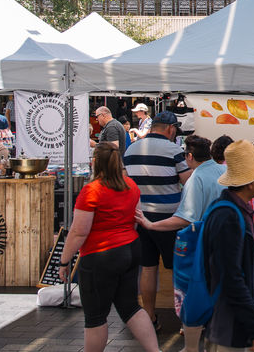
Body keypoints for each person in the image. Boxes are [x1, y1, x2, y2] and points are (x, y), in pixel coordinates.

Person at [59, 142, 159, 352]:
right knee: (130, 307)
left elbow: (79, 232)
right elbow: (135, 218)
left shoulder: (91, 191)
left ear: (95, 162)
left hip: (100, 255)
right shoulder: (131, 185)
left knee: (95, 316)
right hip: (130, 249)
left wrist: (64, 260)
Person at [134, 134, 223, 352]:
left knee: (196, 293)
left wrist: (152, 225)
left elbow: (185, 218)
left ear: (190, 156)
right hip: (224, 242)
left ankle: (194, 340)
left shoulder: (195, 179)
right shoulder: (222, 171)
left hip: (203, 244)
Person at [201, 140, 254, 352]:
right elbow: (230, 278)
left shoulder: (234, 210)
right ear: (250, 182)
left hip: (234, 321)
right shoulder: (229, 216)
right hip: (228, 326)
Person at [122, 110, 191, 329]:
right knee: (177, 268)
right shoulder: (174, 150)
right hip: (169, 218)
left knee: (148, 267)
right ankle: (185, 320)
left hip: (140, 217)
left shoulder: (131, 149)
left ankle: (150, 316)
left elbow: (125, 182)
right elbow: (188, 181)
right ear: (170, 129)